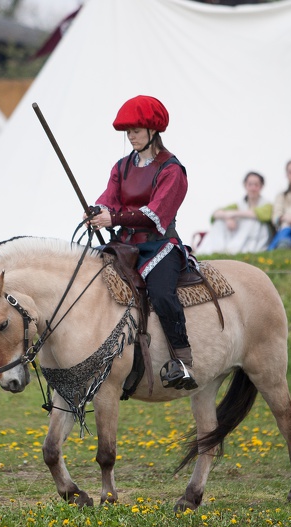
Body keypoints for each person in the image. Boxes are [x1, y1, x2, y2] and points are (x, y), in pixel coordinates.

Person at [88, 95, 196, 391]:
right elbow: (109, 199)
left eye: (136, 130)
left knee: (161, 294)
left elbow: (154, 215)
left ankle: (182, 361)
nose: (130, 136)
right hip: (124, 246)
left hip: (160, 247)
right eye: (128, 131)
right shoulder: (121, 166)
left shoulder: (172, 170)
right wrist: (97, 211)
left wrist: (115, 218)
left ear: (152, 130)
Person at [195, 171, 273, 255]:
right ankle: (212, 251)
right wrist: (227, 217)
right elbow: (215, 214)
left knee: (251, 221)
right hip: (239, 237)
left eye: (256, 185)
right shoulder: (239, 204)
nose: (253, 188)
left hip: (258, 240)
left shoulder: (267, 204)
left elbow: (261, 215)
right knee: (219, 222)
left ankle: (233, 250)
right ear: (245, 185)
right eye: (250, 184)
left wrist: (233, 214)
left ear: (261, 186)